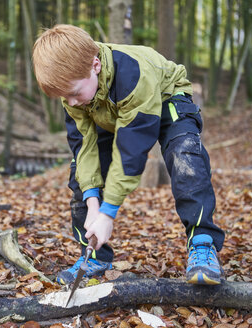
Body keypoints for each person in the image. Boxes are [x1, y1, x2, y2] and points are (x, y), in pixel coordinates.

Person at [32, 24, 225, 285]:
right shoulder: (75, 95)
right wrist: (92, 203)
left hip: (166, 96)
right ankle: (95, 255)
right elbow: (84, 147)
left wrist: (108, 212)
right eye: (65, 97)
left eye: (75, 93)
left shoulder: (134, 74)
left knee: (185, 156)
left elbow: (131, 151)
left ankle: (202, 243)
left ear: (95, 66)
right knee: (81, 176)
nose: (72, 102)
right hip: (106, 110)